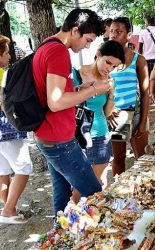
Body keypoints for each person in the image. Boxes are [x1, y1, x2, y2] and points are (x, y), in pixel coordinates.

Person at [32, 9, 108, 215]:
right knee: (95, 194)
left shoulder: (47, 45)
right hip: (58, 139)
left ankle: (60, 238)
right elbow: (56, 102)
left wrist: (77, 91)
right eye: (88, 40)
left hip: (49, 136)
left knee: (61, 195)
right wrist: (94, 90)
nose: (88, 45)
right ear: (75, 31)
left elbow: (51, 94)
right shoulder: (58, 52)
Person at [71, 40, 125, 202]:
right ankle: (77, 218)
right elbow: (67, 103)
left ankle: (96, 220)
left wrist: (112, 94)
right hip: (78, 136)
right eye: (108, 62)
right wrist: (86, 90)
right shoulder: (76, 74)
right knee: (79, 186)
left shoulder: (109, 81)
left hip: (100, 134)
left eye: (114, 66)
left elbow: (106, 112)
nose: (109, 68)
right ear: (98, 54)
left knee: (100, 183)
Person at [108, 17, 149, 176]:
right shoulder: (104, 59)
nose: (113, 35)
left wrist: (143, 122)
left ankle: (144, 194)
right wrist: (107, 111)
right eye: (111, 30)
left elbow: (145, 93)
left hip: (136, 113)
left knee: (142, 160)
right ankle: (118, 193)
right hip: (115, 116)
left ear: (129, 34)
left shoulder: (138, 60)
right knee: (118, 159)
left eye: (119, 31)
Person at [0, 35, 32, 224]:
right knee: (23, 167)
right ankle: (9, 209)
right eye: (5, 53)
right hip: (6, 129)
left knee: (3, 170)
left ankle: (8, 208)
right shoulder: (2, 74)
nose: (9, 57)